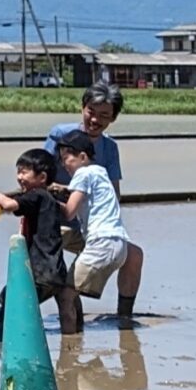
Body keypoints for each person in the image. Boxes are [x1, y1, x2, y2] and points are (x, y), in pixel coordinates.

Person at [46, 85, 144, 315]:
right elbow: (39, 172)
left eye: (104, 116)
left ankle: (124, 317)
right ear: (83, 108)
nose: (95, 120)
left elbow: (114, 193)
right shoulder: (61, 135)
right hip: (60, 221)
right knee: (65, 278)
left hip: (89, 227)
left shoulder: (109, 148)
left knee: (134, 255)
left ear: (113, 118)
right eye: (91, 112)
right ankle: (69, 315)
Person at [0, 148, 78, 334]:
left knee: (10, 302)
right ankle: (72, 343)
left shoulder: (37, 195)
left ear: (42, 177)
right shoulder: (49, 199)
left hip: (42, 271)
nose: (19, 177)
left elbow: (9, 205)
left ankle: (6, 342)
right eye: (18, 171)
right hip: (56, 270)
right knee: (67, 306)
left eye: (24, 172)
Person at [55, 130, 134, 316]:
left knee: (66, 295)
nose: (63, 164)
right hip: (119, 245)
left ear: (82, 157)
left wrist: (44, 199)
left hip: (101, 244)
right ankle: (77, 333)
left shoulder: (81, 174)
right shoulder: (100, 171)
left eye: (66, 158)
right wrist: (64, 189)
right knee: (71, 292)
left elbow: (68, 212)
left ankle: (70, 342)